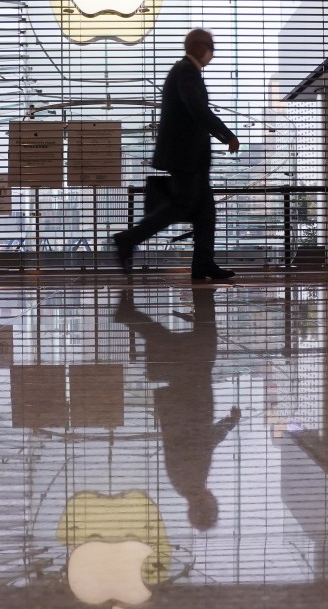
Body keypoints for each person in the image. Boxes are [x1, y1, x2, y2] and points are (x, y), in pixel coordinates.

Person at [112, 28, 240, 281]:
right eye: (209, 45)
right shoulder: (185, 71)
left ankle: (203, 263)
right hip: (186, 157)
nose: (211, 51)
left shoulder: (186, 72)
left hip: (192, 158)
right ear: (196, 45)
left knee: (206, 214)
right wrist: (226, 135)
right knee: (179, 207)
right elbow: (197, 109)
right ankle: (127, 239)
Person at [113, 287, 241, 530]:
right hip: (185, 389)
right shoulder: (188, 483)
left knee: (203, 334)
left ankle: (202, 290)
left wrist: (228, 423)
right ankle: (128, 314)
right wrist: (228, 423)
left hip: (187, 389)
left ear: (206, 506)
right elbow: (200, 441)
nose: (216, 501)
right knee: (173, 336)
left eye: (214, 506)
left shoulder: (189, 481)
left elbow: (200, 440)